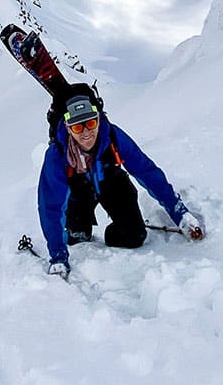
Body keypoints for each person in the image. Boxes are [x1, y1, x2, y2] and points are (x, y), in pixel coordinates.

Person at [37, 83, 203, 279]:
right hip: (77, 192)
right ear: (68, 127)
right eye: (77, 126)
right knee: (77, 237)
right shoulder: (57, 155)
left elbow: (147, 172)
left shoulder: (113, 136)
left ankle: (116, 230)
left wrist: (180, 213)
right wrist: (58, 256)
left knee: (134, 236)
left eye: (90, 123)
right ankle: (80, 229)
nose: (86, 133)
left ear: (98, 119)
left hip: (111, 182)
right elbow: (50, 207)